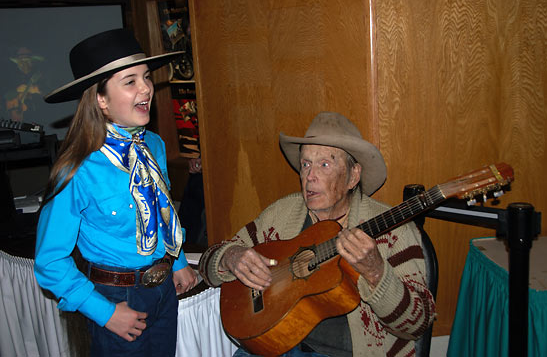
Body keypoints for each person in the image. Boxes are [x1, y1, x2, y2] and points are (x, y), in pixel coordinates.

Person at [198, 112, 436, 357]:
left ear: (353, 176)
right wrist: (230, 256)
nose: (310, 176)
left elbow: (418, 324)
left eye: (324, 164)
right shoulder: (282, 213)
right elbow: (207, 265)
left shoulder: (395, 231)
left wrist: (376, 272)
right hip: (274, 345)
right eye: (305, 164)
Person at [34, 29, 198, 357]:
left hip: (163, 289)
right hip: (116, 298)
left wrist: (177, 261)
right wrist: (104, 312)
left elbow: (161, 210)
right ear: (101, 100)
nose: (147, 88)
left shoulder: (153, 145)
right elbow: (50, 260)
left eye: (146, 77)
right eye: (130, 81)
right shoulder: (77, 169)